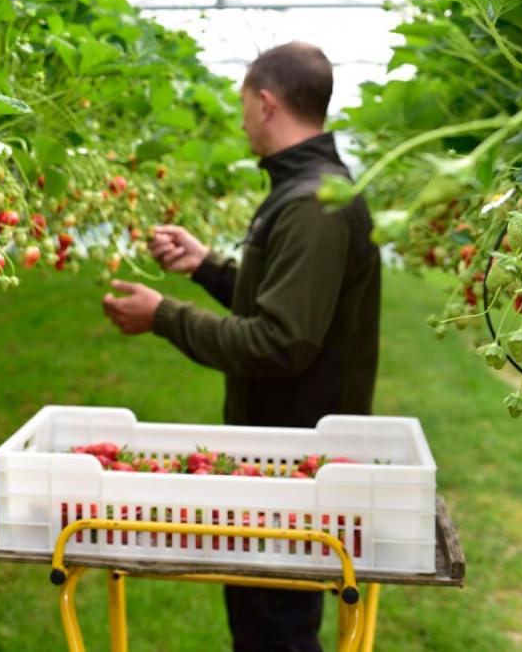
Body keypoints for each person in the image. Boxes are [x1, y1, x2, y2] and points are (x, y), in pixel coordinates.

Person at [101, 41, 381, 652]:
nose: (241, 119)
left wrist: (163, 316)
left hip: (295, 457)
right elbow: (284, 305)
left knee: (276, 627)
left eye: (243, 105)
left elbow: (281, 343)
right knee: (261, 616)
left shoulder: (313, 204)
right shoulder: (303, 191)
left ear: (266, 101)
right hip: (277, 449)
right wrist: (206, 267)